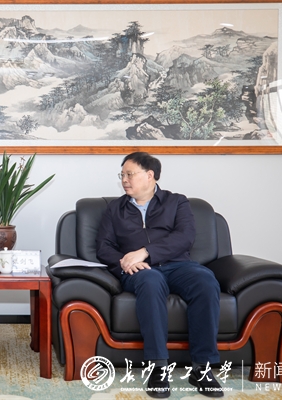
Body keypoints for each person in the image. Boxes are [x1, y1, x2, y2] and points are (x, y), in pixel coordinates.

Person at [96, 152, 223, 399]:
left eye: (129, 174)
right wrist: (124, 262)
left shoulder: (177, 202)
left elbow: (185, 237)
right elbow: (103, 247)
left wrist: (145, 252)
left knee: (206, 281)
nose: (124, 180)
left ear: (150, 175)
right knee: (151, 280)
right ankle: (158, 367)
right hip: (140, 271)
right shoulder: (115, 209)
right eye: (122, 175)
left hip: (178, 265)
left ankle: (202, 368)